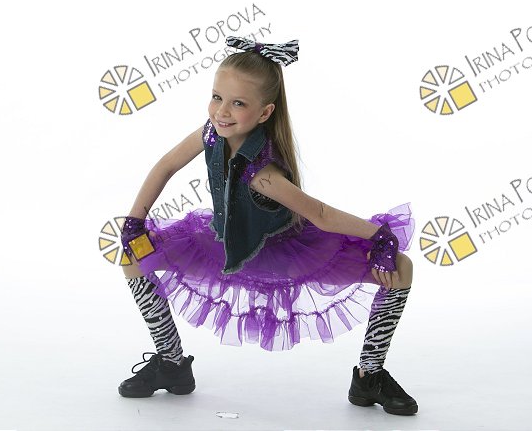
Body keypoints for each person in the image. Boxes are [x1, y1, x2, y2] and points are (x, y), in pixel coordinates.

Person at [116, 36, 418, 415]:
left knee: (401, 267)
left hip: (283, 257)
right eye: (217, 97)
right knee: (133, 257)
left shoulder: (263, 174)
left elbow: (320, 214)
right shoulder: (210, 132)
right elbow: (166, 165)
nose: (222, 111)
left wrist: (381, 237)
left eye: (238, 103)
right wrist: (134, 221)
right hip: (221, 245)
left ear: (264, 113)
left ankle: (369, 375)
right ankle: (171, 363)